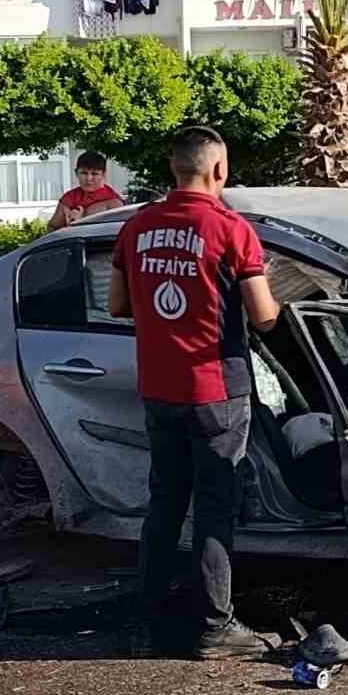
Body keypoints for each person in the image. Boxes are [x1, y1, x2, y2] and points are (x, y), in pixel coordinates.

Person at [107, 126, 282, 660]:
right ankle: (215, 628)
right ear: (220, 170)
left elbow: (117, 306)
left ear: (173, 169)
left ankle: (150, 624)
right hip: (215, 393)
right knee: (213, 509)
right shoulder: (231, 231)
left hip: (158, 390)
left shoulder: (137, 227)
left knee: (164, 504)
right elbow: (265, 317)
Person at [49, 151, 125, 232]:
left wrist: (80, 222)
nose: (88, 178)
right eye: (84, 173)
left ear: (104, 174)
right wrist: (68, 227)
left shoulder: (114, 202)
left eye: (95, 174)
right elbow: (52, 228)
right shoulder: (69, 198)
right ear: (76, 173)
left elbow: (117, 233)